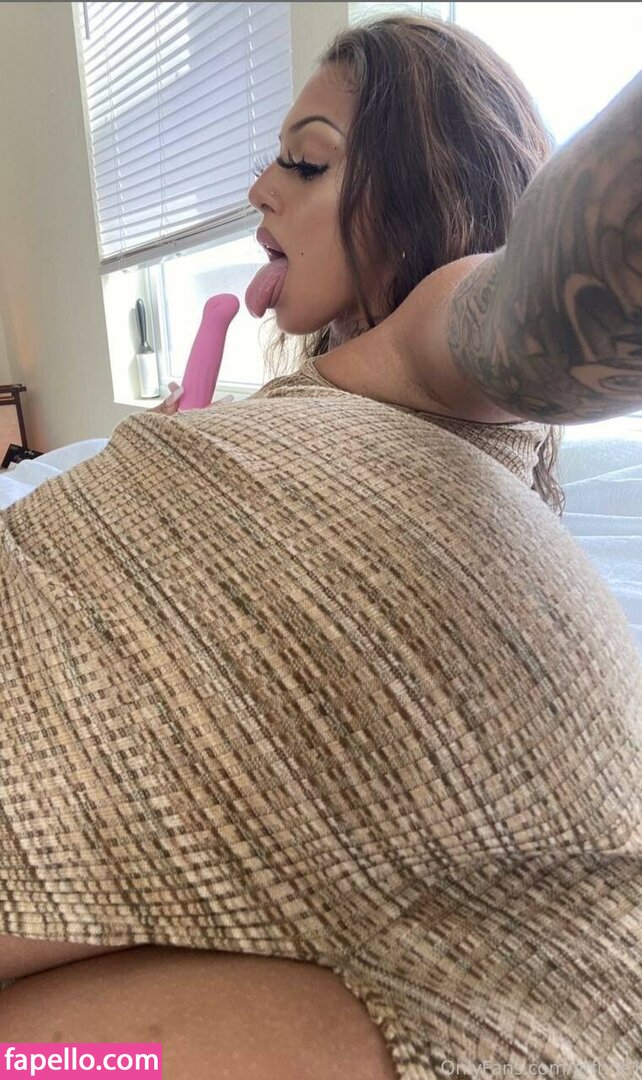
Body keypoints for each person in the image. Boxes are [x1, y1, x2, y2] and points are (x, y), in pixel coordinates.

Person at [1, 13, 640, 1080]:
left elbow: (557, 298)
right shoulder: (317, 390)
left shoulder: (439, 339)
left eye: (306, 161)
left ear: (427, 191)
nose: (261, 187)